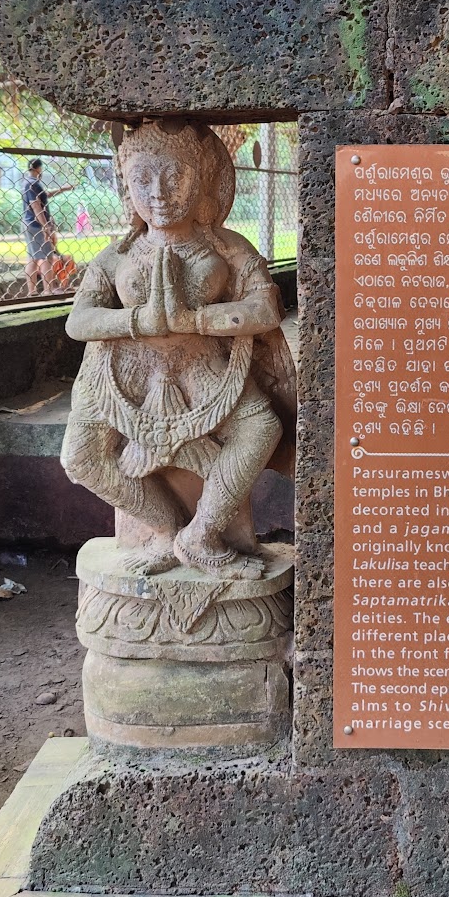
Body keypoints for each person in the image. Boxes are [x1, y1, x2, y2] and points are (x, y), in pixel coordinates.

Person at [61, 118, 295, 577]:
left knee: (262, 429)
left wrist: (198, 320)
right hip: (123, 372)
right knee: (81, 458)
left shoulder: (227, 248)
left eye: (175, 176)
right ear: (126, 188)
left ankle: (202, 535)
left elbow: (265, 309)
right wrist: (137, 321)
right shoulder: (118, 255)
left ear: (204, 178)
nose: (159, 192)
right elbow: (79, 321)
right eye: (142, 180)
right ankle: (167, 529)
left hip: (204, 369)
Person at [22, 158, 74, 295]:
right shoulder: (33, 184)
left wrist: (64, 189)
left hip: (28, 223)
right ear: (38, 169)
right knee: (46, 257)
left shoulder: (28, 183)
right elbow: (36, 205)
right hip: (36, 224)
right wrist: (45, 226)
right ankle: (47, 290)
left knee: (33, 257)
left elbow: (45, 195)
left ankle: (32, 292)